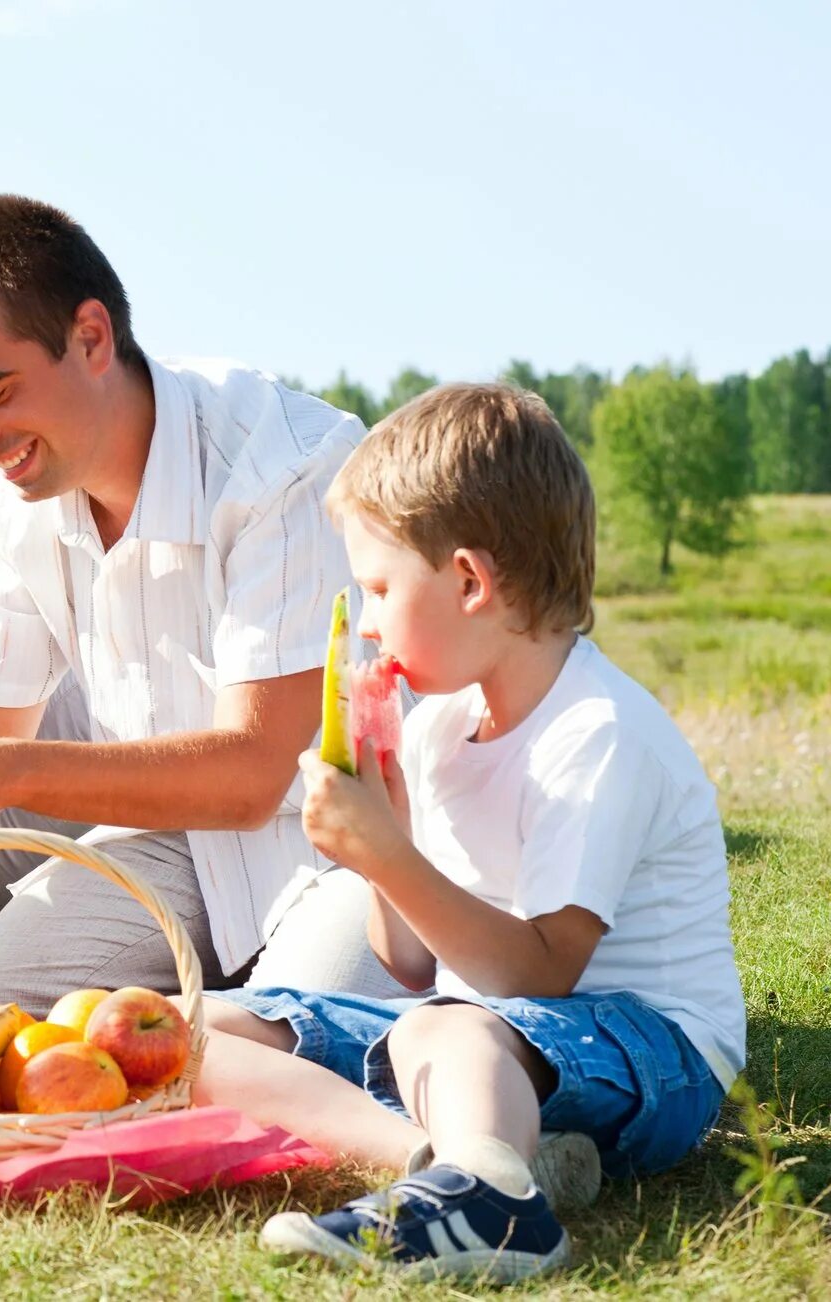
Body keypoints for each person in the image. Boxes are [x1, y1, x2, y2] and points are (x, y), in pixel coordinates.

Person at [189, 385, 744, 1280]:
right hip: (477, 1030)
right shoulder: (444, 726)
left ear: (469, 582)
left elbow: (537, 974)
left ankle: (496, 1200)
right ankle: (461, 1164)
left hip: (656, 1055)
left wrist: (389, 853)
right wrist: (385, 852)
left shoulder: (596, 732)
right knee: (191, 1026)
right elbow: (413, 964)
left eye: (376, 589)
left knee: (442, 1033)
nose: (364, 622)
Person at [0, 195, 396, 1009]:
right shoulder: (4, 507)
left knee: (293, 1049)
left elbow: (257, 776)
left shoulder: (286, 467)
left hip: (337, 850)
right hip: (170, 849)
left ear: (91, 337)